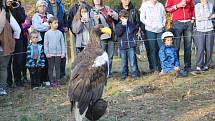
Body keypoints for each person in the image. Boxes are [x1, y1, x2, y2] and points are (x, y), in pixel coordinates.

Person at [165, 0, 195, 73]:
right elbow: (167, 9)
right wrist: (177, 6)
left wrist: (193, 18)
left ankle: (187, 67)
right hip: (177, 23)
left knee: (188, 46)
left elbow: (192, 8)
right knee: (176, 47)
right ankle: (176, 67)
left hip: (188, 23)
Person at [91, 0, 118, 78]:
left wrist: (111, 14)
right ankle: (101, 73)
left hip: (111, 34)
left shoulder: (107, 8)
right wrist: (96, 19)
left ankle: (108, 72)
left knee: (110, 55)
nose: (97, 0)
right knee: (102, 56)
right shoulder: (92, 11)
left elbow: (116, 16)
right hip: (102, 36)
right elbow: (94, 25)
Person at [140, 0, 166, 73]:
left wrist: (163, 24)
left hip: (160, 30)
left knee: (161, 48)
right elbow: (142, 18)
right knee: (153, 49)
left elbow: (164, 17)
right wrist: (150, 24)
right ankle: (155, 68)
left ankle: (162, 67)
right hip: (150, 30)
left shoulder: (160, 5)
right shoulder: (145, 5)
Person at [0, 1, 21, 95]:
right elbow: (17, 29)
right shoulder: (7, 13)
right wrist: (12, 42)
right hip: (5, 46)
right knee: (3, 68)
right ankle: (3, 89)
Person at [115, 0, 141, 76]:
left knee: (132, 61)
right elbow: (118, 33)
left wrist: (138, 29)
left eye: (126, 17)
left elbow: (136, 28)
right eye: (122, 17)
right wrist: (123, 25)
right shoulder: (118, 25)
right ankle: (124, 75)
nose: (124, 19)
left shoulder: (131, 24)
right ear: (120, 18)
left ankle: (134, 74)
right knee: (123, 62)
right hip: (123, 46)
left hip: (131, 45)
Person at [5, 0, 26, 87]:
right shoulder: (3, 8)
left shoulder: (19, 8)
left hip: (18, 38)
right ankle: (8, 82)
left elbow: (22, 19)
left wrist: (16, 8)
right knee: (7, 61)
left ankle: (18, 80)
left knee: (18, 59)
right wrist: (6, 7)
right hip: (7, 37)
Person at [32, 0, 53, 84]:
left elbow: (53, 24)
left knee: (48, 59)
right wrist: (47, 26)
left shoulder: (50, 15)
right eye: (40, 6)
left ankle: (47, 78)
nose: (42, 7)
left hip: (49, 40)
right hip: (40, 40)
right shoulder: (35, 17)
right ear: (37, 7)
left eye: (44, 5)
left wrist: (44, 26)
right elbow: (37, 27)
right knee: (40, 58)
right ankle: (40, 79)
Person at [46, 0, 68, 79]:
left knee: (62, 52)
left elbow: (65, 17)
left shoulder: (61, 5)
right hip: (50, 31)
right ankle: (50, 76)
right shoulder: (45, 5)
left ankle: (62, 74)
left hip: (60, 31)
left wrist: (66, 26)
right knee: (50, 55)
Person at [44, 17, 66, 87]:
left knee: (58, 68)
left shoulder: (60, 33)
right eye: (55, 23)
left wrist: (63, 53)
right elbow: (46, 44)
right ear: (50, 24)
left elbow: (62, 43)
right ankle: (51, 81)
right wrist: (46, 53)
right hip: (50, 54)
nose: (57, 24)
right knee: (50, 68)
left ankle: (58, 81)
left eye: (57, 23)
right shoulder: (47, 33)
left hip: (58, 54)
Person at [194, 0, 215, 71]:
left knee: (209, 48)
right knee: (200, 48)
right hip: (200, 29)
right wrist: (209, 17)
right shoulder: (197, 6)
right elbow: (198, 18)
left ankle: (207, 64)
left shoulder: (210, 5)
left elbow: (208, 14)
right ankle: (199, 65)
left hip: (209, 29)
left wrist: (206, 6)